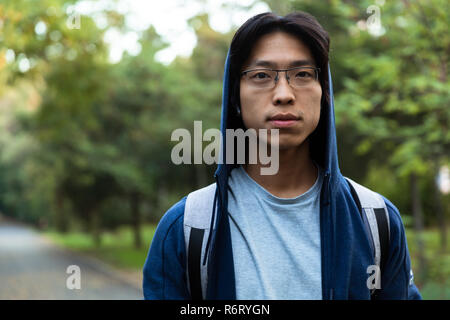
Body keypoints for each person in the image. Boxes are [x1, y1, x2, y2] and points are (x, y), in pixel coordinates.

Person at [142, 11, 422, 300]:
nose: (284, 94)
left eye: (302, 74)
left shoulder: (376, 222)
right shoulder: (188, 227)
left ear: (324, 92)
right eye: (261, 75)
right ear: (235, 97)